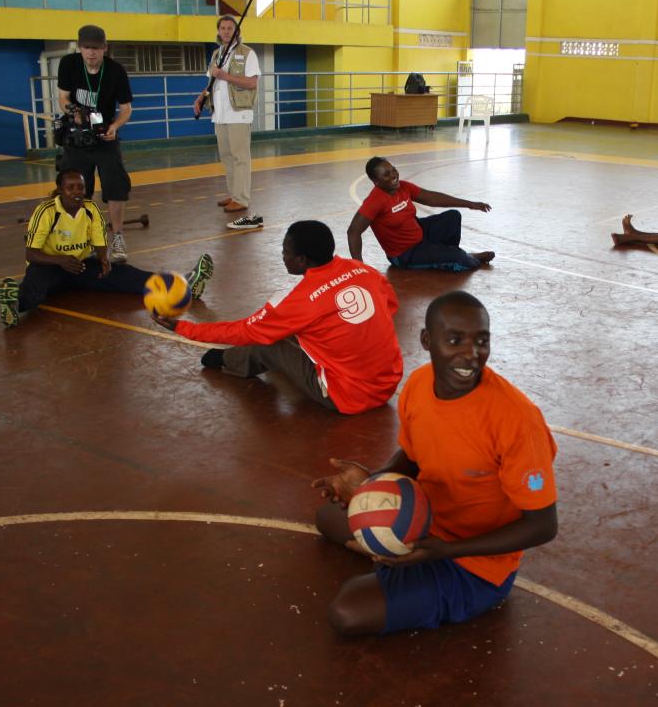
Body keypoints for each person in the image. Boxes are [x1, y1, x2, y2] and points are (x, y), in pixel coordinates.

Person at [311, 291, 559, 635]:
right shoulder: (418, 385)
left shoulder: (517, 420)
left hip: (473, 563)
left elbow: (543, 525)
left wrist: (444, 551)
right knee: (326, 518)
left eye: (481, 341)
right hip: (423, 522)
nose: (471, 355)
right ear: (427, 340)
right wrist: (371, 485)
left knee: (347, 612)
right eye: (455, 340)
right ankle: (397, 563)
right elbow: (412, 456)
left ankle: (402, 569)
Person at [151, 220, 402, 414]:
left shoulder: (298, 300)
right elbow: (390, 305)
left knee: (268, 342)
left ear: (302, 260)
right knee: (301, 329)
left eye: (285, 252)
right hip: (387, 385)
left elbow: (243, 331)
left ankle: (226, 360)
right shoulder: (364, 270)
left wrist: (182, 328)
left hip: (348, 397)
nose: (283, 256)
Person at [0, 169, 213, 329]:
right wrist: (60, 260)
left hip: (80, 267)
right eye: (70, 188)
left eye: (80, 187)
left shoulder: (91, 209)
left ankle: (184, 285)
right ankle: (14, 305)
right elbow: (31, 254)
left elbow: (100, 241)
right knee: (35, 288)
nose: (76, 192)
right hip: (50, 266)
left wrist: (103, 258)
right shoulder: (46, 211)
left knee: (123, 274)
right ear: (61, 190)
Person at [56, 25, 134, 263]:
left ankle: (118, 237)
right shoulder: (68, 64)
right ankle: (86, 238)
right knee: (78, 190)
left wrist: (114, 127)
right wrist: (73, 111)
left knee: (116, 186)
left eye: (96, 49)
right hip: (77, 137)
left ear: (104, 49)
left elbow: (126, 109)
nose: (91, 53)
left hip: (105, 137)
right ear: (80, 48)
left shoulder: (116, 71)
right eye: (87, 48)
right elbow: (62, 97)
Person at [347, 157, 495, 271]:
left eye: (393, 169)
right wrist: (360, 267)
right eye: (387, 174)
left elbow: (433, 198)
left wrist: (470, 204)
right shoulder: (375, 201)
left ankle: (448, 253)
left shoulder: (403, 187)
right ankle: (464, 256)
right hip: (405, 254)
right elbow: (353, 232)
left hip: (420, 233)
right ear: (376, 181)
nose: (394, 175)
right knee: (461, 262)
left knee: (453, 217)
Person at [192, 14, 262, 232]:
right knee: (227, 156)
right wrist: (200, 97)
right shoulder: (216, 54)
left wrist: (225, 75)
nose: (226, 31)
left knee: (240, 157)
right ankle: (233, 194)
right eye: (222, 28)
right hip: (220, 114)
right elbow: (212, 83)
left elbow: (251, 83)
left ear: (236, 31)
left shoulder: (247, 54)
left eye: (230, 28)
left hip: (238, 113)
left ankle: (241, 198)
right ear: (218, 30)